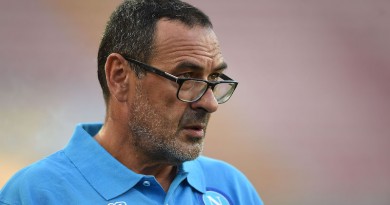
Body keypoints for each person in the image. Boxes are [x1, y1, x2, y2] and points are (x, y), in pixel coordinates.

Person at [0, 0, 263, 204]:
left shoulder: (231, 188)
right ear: (120, 76)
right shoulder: (35, 195)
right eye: (186, 77)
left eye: (214, 77)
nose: (210, 103)